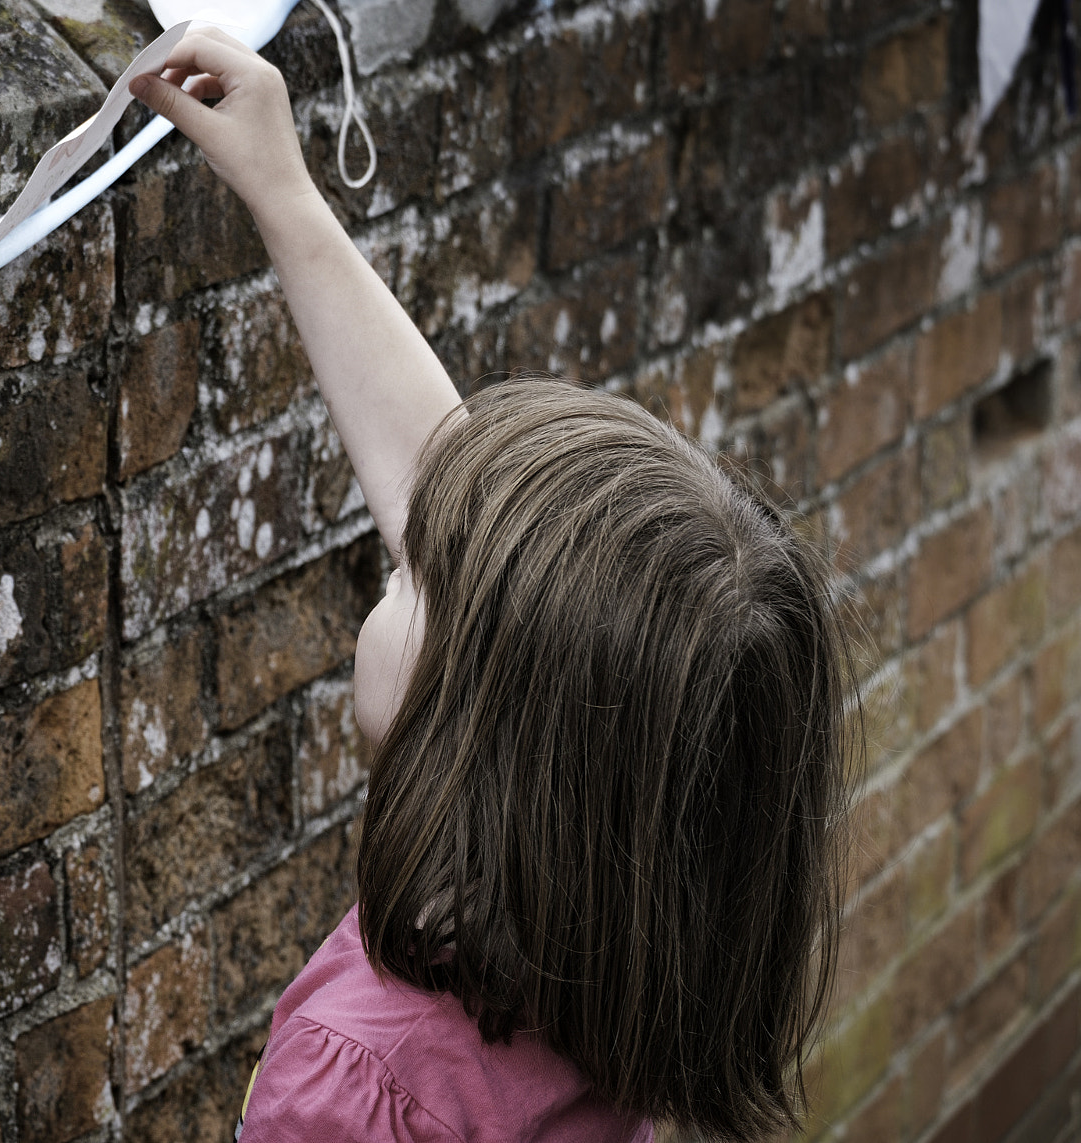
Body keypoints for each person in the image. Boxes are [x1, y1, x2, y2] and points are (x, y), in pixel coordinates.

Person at [130, 28, 853, 1143]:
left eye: (416, 573)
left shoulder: (357, 1088)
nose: (396, 547)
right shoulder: (618, 949)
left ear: (490, 723)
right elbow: (448, 486)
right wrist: (282, 191)